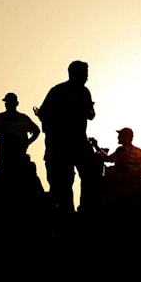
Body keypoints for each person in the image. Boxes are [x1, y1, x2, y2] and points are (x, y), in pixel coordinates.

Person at [36, 60, 98, 216]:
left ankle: (86, 209)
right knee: (64, 182)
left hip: (80, 141)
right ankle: (67, 213)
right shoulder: (57, 91)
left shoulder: (85, 92)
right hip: (61, 144)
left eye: (87, 74)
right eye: (84, 74)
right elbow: (43, 114)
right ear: (74, 74)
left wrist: (88, 110)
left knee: (91, 174)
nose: (86, 77)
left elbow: (91, 115)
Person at [0, 93, 41, 168]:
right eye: (7, 103)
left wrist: (28, 142)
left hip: (20, 159)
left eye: (10, 103)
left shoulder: (23, 119)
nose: (8, 105)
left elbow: (36, 131)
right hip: (5, 160)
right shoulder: (0, 118)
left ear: (16, 104)